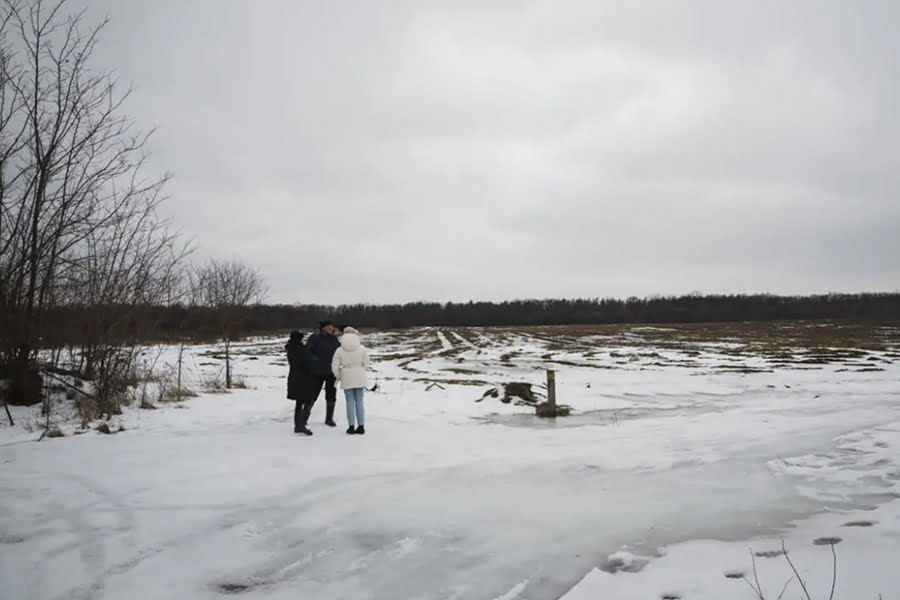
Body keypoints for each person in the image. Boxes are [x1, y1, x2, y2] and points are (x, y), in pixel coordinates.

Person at [331, 326, 370, 435]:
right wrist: (360, 368)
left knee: (349, 402)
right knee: (359, 401)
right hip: (359, 375)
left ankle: (351, 427)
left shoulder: (339, 350)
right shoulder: (362, 348)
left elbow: (335, 366)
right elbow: (367, 363)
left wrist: (338, 376)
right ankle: (361, 426)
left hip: (346, 375)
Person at [306, 319, 342, 426]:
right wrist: (315, 360)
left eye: (332, 326)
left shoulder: (334, 339)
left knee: (331, 395)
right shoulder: (315, 337)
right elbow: (307, 351)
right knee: (312, 395)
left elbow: (339, 351)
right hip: (317, 372)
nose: (331, 328)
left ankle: (329, 419)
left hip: (332, 372)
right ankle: (304, 418)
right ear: (323, 327)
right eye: (328, 326)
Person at [285, 330, 315, 435]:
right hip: (304, 377)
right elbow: (308, 362)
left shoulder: (291, 348)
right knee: (307, 400)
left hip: (295, 377)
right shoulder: (301, 349)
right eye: (302, 337)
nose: (304, 339)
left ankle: (298, 424)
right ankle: (301, 424)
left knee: (299, 401)